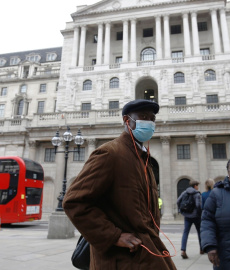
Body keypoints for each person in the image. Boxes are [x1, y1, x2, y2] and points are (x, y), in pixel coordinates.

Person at [63, 99, 176, 269]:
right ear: (127, 120)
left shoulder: (142, 158)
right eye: (143, 117)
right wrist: (113, 236)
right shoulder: (110, 153)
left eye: (152, 119)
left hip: (144, 251)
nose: (149, 123)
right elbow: (74, 201)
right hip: (121, 259)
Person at [177, 180, 203, 259]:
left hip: (187, 216)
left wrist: (181, 211)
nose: (198, 187)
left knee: (185, 233)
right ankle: (202, 249)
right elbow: (198, 205)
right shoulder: (197, 194)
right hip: (196, 216)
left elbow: (178, 201)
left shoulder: (184, 192)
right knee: (199, 232)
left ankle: (183, 250)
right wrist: (200, 214)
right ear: (195, 186)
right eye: (197, 185)